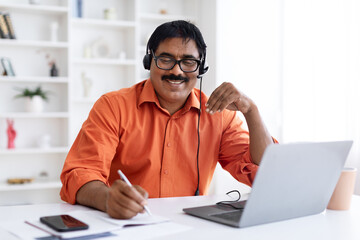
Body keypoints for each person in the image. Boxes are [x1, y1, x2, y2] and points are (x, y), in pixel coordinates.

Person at [60, 20, 275, 219]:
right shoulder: (113, 106)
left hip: (191, 228)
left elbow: (265, 175)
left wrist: (251, 111)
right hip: (127, 224)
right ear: (149, 61)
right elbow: (80, 173)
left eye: (188, 62)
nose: (176, 71)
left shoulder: (220, 116)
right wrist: (107, 199)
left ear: (201, 68)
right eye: (166, 59)